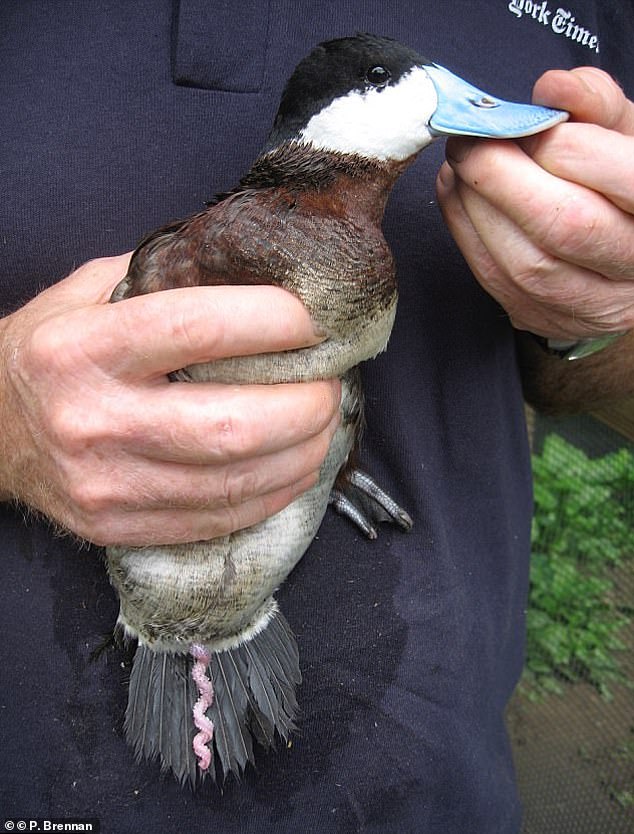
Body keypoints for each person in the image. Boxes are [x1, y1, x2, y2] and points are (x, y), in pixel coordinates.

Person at [1, 2, 632, 832]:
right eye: (387, 81)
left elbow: (599, 388)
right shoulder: (201, 246)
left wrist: (603, 313)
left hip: (430, 781)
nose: (464, 99)